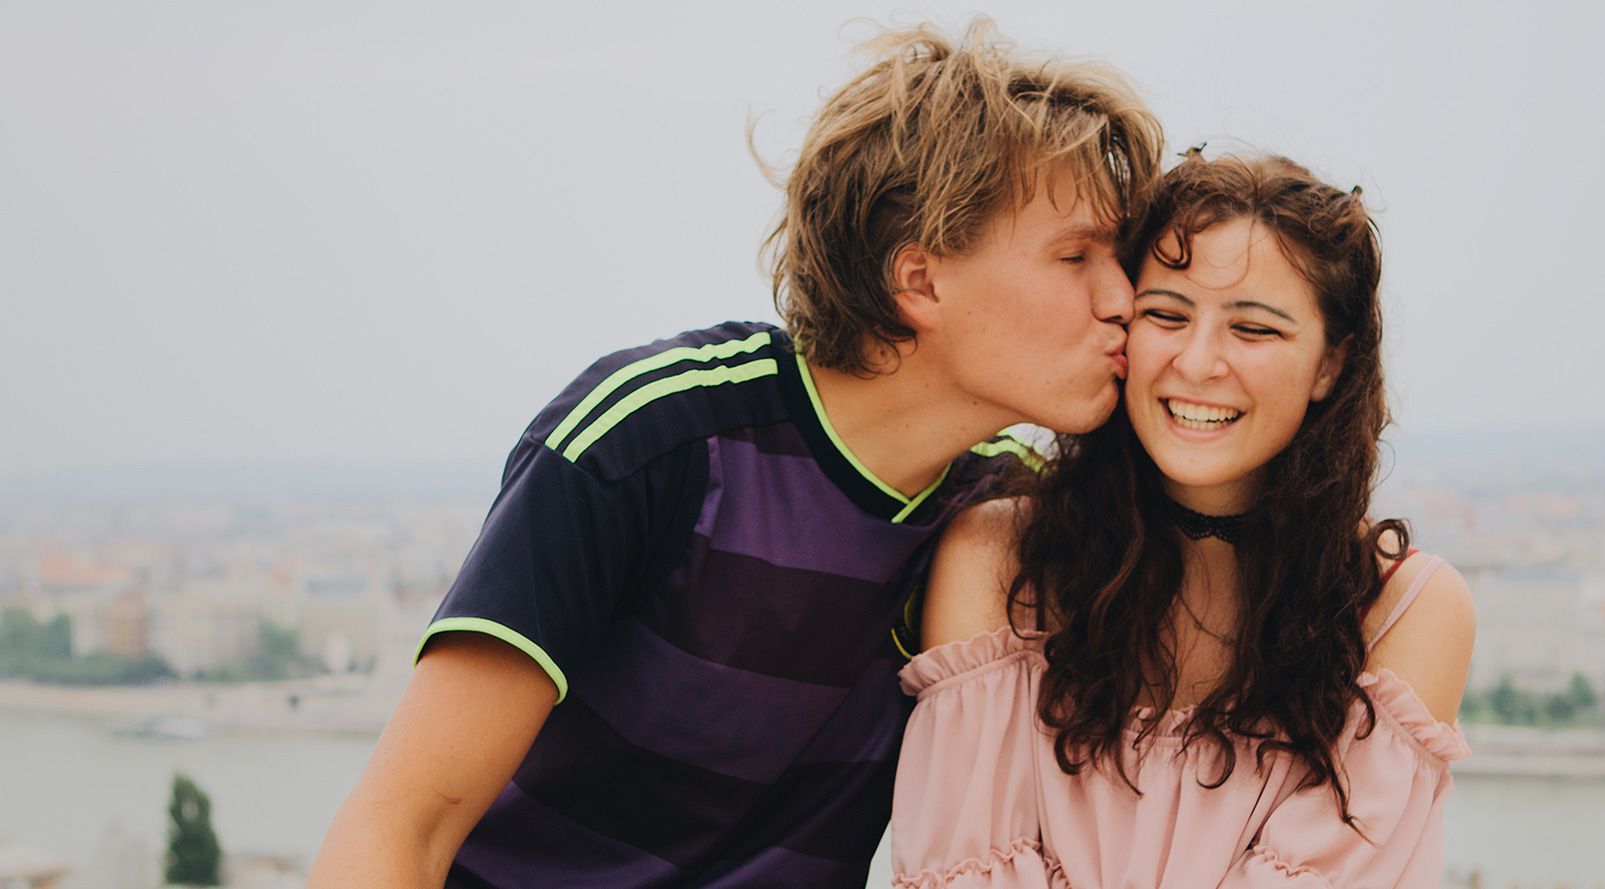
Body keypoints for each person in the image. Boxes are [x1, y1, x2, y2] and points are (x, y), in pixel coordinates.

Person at [309, 19, 1162, 889]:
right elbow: (400, 827)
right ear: (920, 280)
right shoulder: (654, 439)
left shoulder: (999, 520)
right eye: (1077, 255)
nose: (1124, 298)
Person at [891, 152, 1476, 888]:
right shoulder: (1003, 557)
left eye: (1254, 331)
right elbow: (958, 870)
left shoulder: (1402, 610)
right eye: (1165, 315)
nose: (1198, 363)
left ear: (1332, 363)